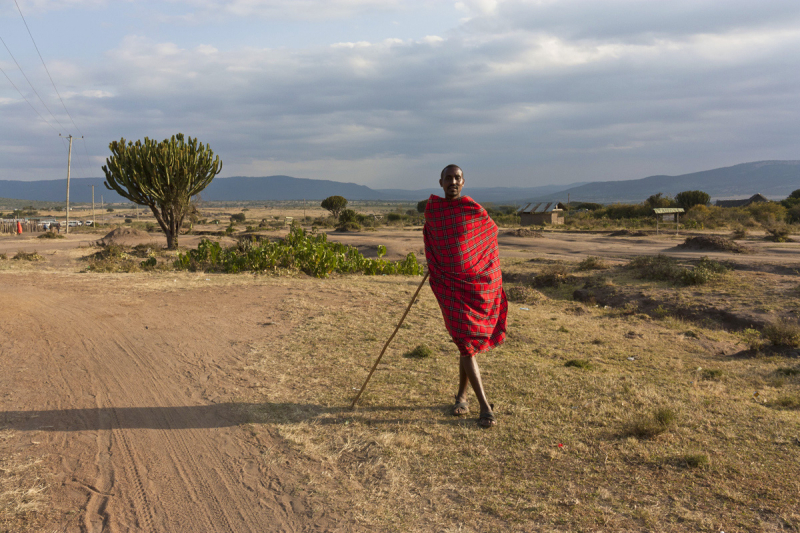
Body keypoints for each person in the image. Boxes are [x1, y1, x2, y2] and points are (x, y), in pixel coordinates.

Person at [423, 164, 508, 428]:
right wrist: (435, 262)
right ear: (440, 182)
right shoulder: (434, 211)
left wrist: (485, 269)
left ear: (463, 182)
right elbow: (430, 240)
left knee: (465, 344)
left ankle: (461, 396)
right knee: (465, 344)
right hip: (448, 287)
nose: (452, 182)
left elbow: (490, 235)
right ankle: (484, 407)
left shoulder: (473, 210)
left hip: (473, 287)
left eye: (457, 178)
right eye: (448, 178)